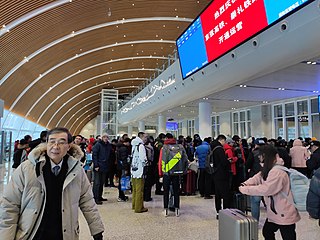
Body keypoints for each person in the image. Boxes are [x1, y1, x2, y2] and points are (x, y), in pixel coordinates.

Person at [0, 127, 104, 240]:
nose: (55, 146)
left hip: (63, 233)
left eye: (61, 142)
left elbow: (87, 201)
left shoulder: (76, 171)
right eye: (52, 141)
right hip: (32, 233)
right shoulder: (27, 169)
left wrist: (97, 230)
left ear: (69, 146)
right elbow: (10, 205)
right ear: (46, 143)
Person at [239, 145, 300, 240]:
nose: (259, 157)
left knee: (287, 235)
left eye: (261, 155)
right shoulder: (270, 168)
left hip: (283, 211)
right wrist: (245, 184)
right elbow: (258, 177)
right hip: (275, 211)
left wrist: (245, 190)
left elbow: (267, 189)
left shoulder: (277, 172)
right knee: (267, 232)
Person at [158, 133, 188, 217]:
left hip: (166, 173)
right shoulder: (180, 147)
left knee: (166, 191)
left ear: (166, 138)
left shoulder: (164, 148)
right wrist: (184, 171)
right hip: (177, 172)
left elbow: (160, 162)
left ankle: (166, 209)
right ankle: (177, 209)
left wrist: (160, 174)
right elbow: (185, 159)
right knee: (176, 191)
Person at [211, 134, 231, 219]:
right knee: (225, 194)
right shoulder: (219, 149)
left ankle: (218, 211)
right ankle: (226, 212)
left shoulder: (213, 148)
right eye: (224, 141)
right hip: (222, 174)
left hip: (215, 173)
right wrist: (228, 161)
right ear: (221, 140)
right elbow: (224, 162)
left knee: (218, 194)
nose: (225, 143)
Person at [245, 138, 265, 222]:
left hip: (256, 179)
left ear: (256, 145)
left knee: (255, 201)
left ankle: (255, 221)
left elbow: (247, 165)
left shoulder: (253, 153)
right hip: (267, 178)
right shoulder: (270, 154)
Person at [131, 132, 148, 213]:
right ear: (141, 137)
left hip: (133, 169)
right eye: (145, 137)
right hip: (140, 170)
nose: (146, 139)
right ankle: (139, 208)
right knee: (139, 190)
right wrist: (147, 164)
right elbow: (143, 158)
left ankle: (134, 205)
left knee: (134, 189)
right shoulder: (141, 146)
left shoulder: (134, 145)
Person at [92, 133, 112, 204]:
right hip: (98, 166)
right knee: (97, 183)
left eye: (107, 137)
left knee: (101, 182)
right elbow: (94, 155)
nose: (106, 138)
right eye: (104, 137)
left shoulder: (108, 145)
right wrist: (96, 165)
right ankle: (95, 198)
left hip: (105, 166)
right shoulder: (98, 145)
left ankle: (99, 196)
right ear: (102, 138)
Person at [116, 137, 130, 202]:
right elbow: (124, 159)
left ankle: (121, 195)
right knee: (123, 182)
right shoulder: (124, 149)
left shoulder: (119, 148)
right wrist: (126, 168)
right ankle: (121, 196)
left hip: (119, 167)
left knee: (121, 181)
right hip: (122, 168)